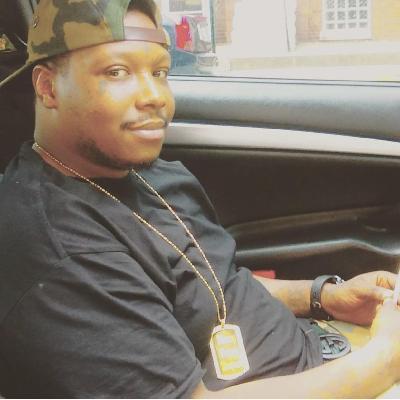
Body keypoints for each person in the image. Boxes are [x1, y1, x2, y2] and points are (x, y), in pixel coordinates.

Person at [1, 0, 400, 398]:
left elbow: (215, 283)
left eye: (159, 72)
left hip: (326, 354)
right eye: (117, 72)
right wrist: (384, 359)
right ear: (48, 87)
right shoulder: (59, 248)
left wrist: (324, 297)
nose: (154, 96)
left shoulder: (148, 172)